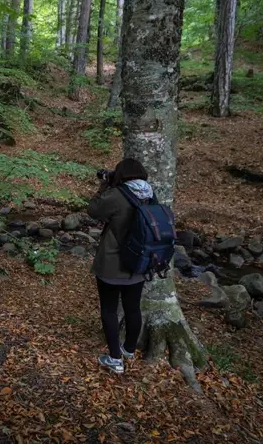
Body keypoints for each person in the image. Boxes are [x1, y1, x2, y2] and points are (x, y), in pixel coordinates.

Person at [87, 158, 153, 374]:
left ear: (120, 174)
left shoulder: (116, 195)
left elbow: (93, 210)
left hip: (112, 263)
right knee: (132, 307)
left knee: (109, 308)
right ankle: (129, 349)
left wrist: (105, 184)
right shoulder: (150, 195)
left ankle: (115, 359)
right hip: (140, 262)